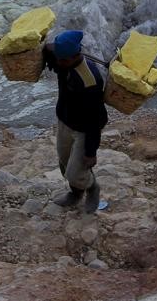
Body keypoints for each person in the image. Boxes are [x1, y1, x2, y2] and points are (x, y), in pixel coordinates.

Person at [43, 30, 108, 214]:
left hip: (84, 128)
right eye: (58, 59)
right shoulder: (62, 58)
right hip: (65, 120)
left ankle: (92, 188)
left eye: (63, 60)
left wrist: (91, 151)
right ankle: (76, 193)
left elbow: (94, 120)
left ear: (75, 56)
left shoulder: (90, 81)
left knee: (76, 170)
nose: (58, 64)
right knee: (64, 162)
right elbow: (47, 50)